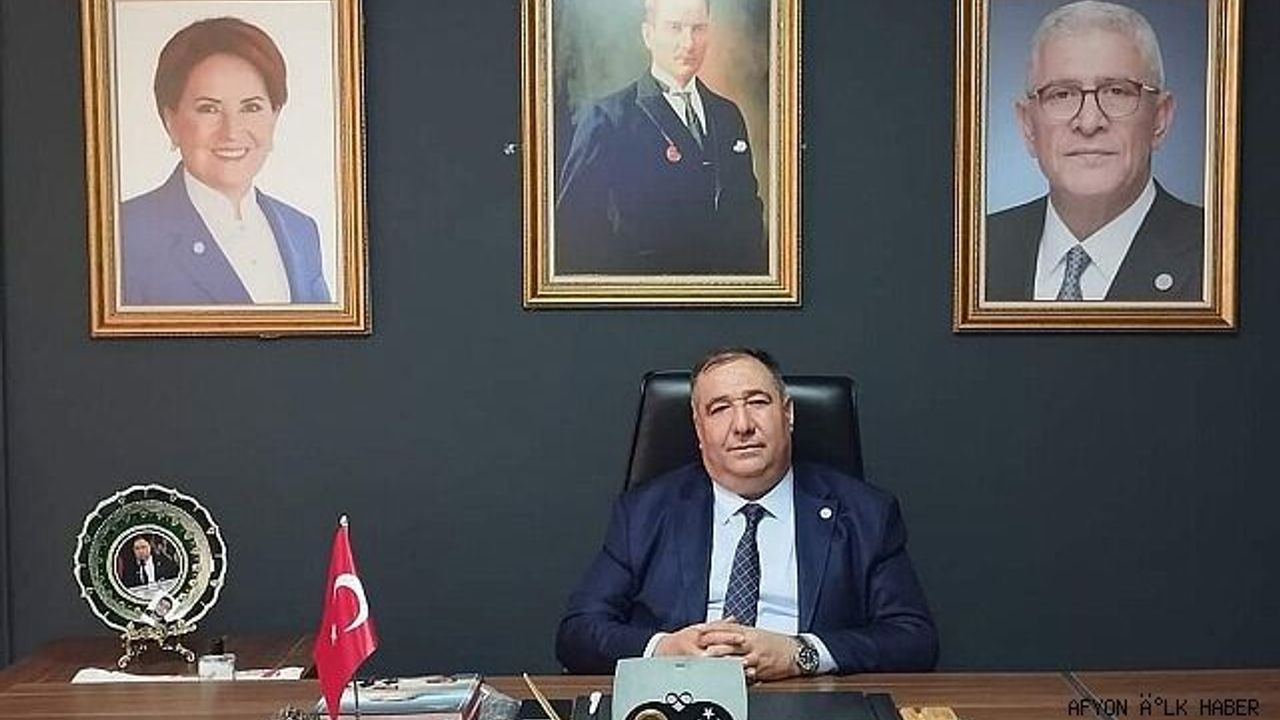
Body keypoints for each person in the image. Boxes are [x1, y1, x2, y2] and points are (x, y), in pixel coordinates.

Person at [556, 348, 937, 679]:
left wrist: (800, 654)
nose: (742, 426)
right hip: (683, 699)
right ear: (699, 429)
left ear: (787, 413)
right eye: (720, 409)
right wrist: (664, 649)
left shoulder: (866, 513)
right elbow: (578, 633)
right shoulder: (643, 513)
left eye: (757, 402)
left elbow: (914, 639)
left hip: (808, 700)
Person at [986, 1, 1204, 302]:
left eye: (1117, 91)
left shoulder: (1221, 253)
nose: (1089, 122)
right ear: (1028, 127)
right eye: (1062, 94)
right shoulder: (972, 250)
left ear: (1160, 119)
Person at [120, 17, 330, 305]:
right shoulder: (126, 233)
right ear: (171, 122)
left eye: (251, 107)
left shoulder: (301, 230)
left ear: (274, 116)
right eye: (209, 109)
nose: (231, 131)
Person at [555, 0, 766, 275]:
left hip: (726, 292)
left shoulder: (727, 114)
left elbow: (748, 212)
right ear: (648, 35)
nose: (688, 43)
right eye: (675, 28)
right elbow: (575, 228)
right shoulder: (607, 118)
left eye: (698, 28)